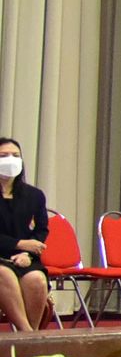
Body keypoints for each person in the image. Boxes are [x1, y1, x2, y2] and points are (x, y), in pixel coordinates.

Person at [0, 137, 53, 332]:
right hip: (3, 257)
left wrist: (27, 253)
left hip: (25, 257)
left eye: (15, 156)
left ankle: (30, 335)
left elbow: (41, 229)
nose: (10, 160)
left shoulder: (34, 195)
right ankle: (27, 334)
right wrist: (20, 244)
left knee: (36, 280)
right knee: (3, 274)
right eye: (3, 156)